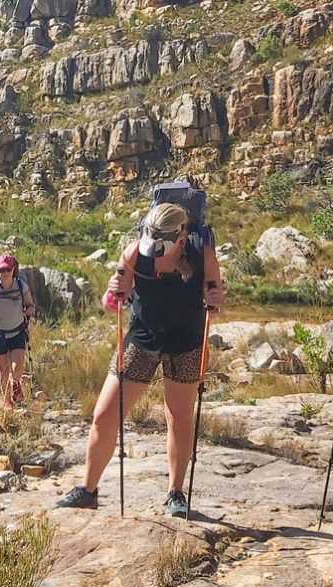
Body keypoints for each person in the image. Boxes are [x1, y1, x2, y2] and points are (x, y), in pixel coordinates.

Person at [54, 202, 224, 517]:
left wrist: (214, 301)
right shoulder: (134, 253)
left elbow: (215, 298)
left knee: (179, 417)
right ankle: (87, 490)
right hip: (143, 337)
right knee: (104, 416)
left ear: (180, 235)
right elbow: (113, 302)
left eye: (163, 245)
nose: (154, 251)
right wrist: (113, 293)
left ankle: (176, 493)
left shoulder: (203, 254)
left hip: (186, 341)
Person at [0, 253, 36, 410]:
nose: (5, 273)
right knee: (4, 370)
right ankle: (7, 401)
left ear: (13, 268)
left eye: (8, 269)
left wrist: (29, 310)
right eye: (2, 270)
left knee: (17, 368)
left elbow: (31, 305)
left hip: (17, 331)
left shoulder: (21, 286)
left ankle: (16, 384)